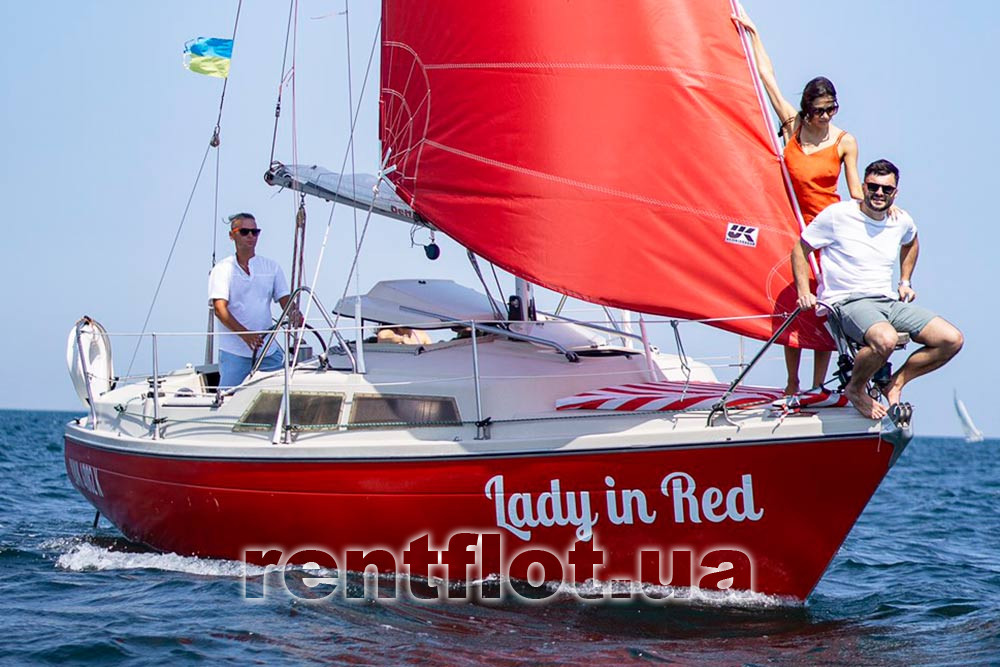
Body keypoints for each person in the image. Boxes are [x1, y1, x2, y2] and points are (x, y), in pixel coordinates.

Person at [734, 11, 863, 395]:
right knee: (791, 304)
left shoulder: (844, 141)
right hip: (790, 226)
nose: (825, 117)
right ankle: (791, 384)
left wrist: (882, 210)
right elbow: (766, 77)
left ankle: (817, 386)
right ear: (806, 109)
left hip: (827, 233)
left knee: (821, 308)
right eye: (819, 111)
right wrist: (754, 33)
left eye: (831, 110)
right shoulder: (792, 126)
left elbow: (854, 192)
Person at [791, 160, 963, 419]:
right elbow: (800, 249)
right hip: (847, 302)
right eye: (873, 187)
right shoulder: (838, 215)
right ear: (864, 186)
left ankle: (895, 383)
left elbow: (911, 241)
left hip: (887, 302)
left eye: (886, 189)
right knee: (886, 339)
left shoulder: (901, 219)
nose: (879, 193)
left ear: (895, 192)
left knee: (951, 339)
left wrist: (905, 281)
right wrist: (804, 291)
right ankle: (856, 389)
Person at [208, 212, 300, 389]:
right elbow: (220, 309)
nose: (250, 236)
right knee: (227, 399)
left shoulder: (271, 267)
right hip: (235, 353)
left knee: (285, 392)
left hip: (267, 350)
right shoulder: (222, 269)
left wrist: (295, 313)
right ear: (232, 235)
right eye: (244, 231)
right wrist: (246, 335)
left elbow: (284, 298)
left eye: (255, 231)